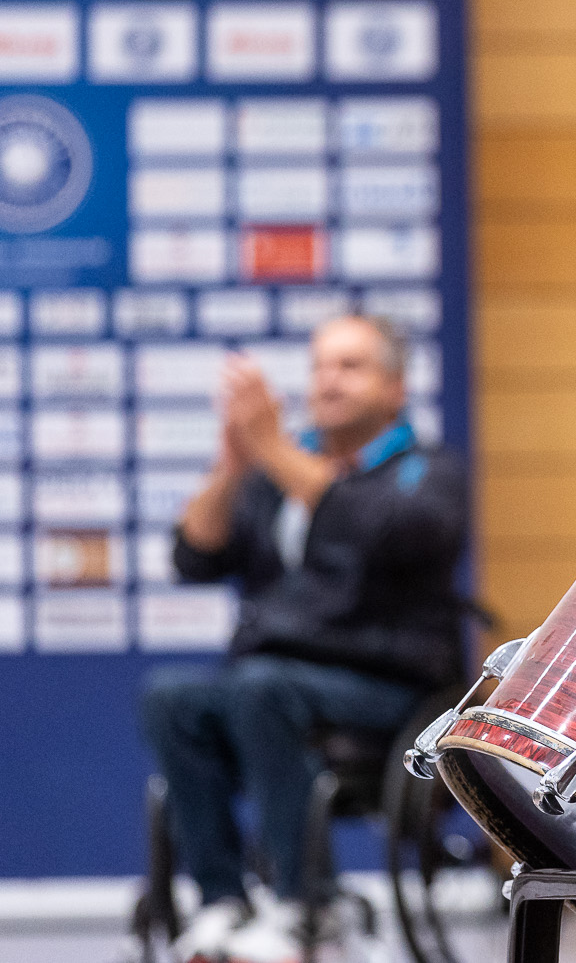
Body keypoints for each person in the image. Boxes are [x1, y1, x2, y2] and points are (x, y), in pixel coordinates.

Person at [141, 316, 467, 963]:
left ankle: (305, 906)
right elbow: (194, 556)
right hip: (273, 686)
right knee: (171, 695)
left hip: (388, 685)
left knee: (262, 686)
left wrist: (275, 450)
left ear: (395, 387)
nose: (328, 381)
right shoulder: (274, 470)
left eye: (350, 366)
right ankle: (221, 901)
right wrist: (234, 466)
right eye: (320, 366)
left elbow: (381, 531)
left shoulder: (426, 469)